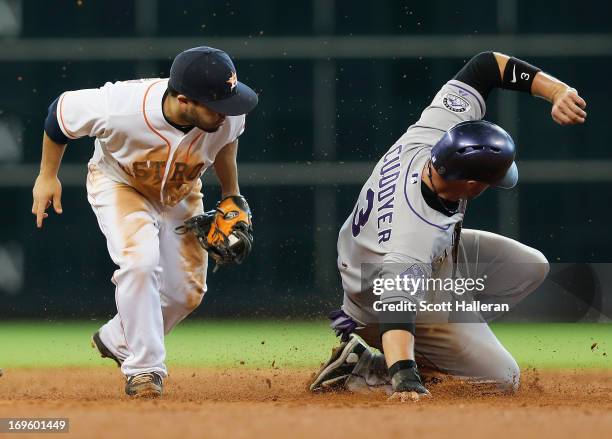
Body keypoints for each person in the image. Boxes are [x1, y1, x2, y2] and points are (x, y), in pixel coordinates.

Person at [309, 51, 587, 401]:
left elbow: (486, 66)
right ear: (472, 185)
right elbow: (396, 310)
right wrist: (404, 376)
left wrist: (556, 91)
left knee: (530, 267)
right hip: (376, 299)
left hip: (416, 262)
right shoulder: (412, 234)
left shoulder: (433, 134)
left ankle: (447, 342)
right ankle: (367, 369)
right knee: (504, 380)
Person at [32, 46, 258, 397]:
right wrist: (47, 176)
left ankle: (117, 338)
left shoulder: (226, 117)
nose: (226, 113)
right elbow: (58, 114)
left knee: (186, 294)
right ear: (184, 100)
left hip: (181, 191)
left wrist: (231, 193)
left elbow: (226, 142)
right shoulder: (121, 107)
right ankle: (144, 370)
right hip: (121, 184)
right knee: (139, 262)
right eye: (217, 106)